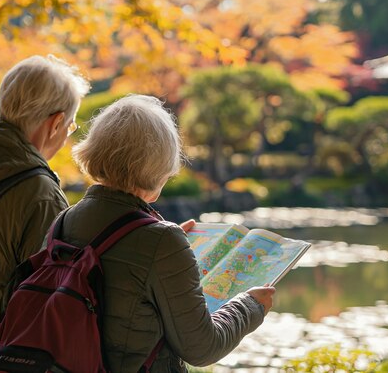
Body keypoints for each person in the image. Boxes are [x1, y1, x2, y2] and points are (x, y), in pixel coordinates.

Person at [65, 94, 275, 372]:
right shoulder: (161, 242)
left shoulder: (63, 220)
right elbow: (202, 347)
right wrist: (250, 306)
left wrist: (167, 238)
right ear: (160, 164)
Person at [0, 54, 89, 370]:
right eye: (70, 125)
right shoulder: (41, 194)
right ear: (55, 123)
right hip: (11, 356)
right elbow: (51, 301)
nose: (68, 134)